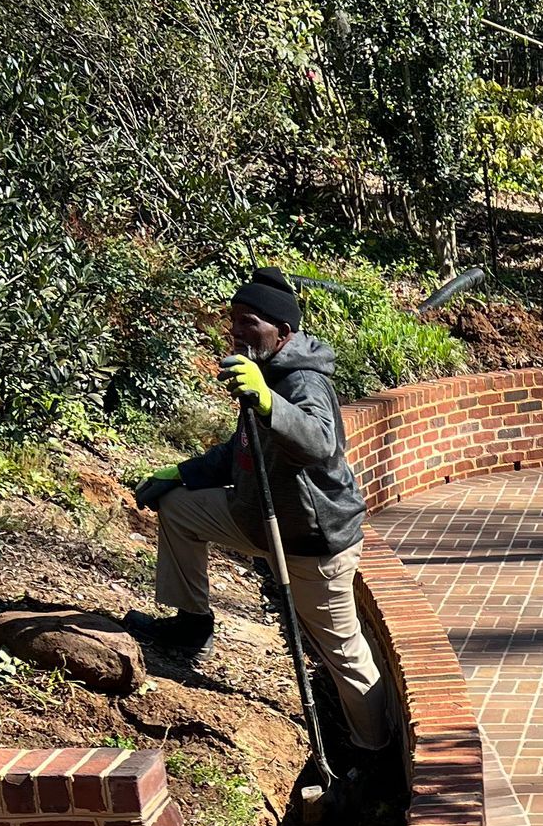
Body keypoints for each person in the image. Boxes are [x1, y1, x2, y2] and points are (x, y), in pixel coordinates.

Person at [127, 268, 393, 760]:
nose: (237, 332)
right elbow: (241, 449)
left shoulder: (302, 382)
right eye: (233, 321)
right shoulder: (263, 371)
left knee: (345, 656)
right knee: (179, 507)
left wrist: (269, 400)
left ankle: (372, 751)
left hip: (313, 542)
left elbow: (319, 441)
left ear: (283, 332)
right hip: (257, 520)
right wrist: (181, 473)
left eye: (249, 322)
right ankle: (191, 625)